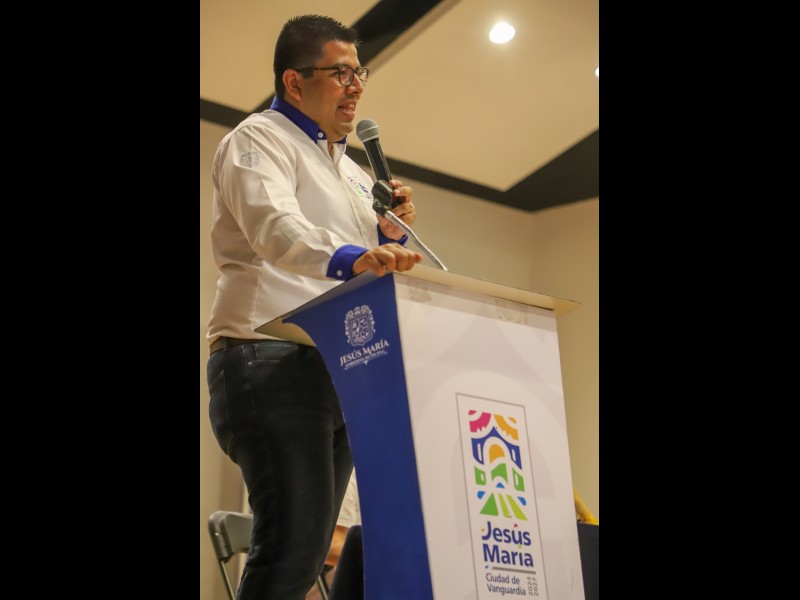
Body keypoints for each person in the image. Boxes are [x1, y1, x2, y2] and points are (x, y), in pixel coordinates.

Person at [205, 14, 422, 600]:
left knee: (310, 555)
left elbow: (364, 262)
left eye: (360, 73)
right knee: (291, 551)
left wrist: (388, 234)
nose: (356, 86)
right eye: (341, 73)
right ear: (294, 81)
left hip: (338, 365)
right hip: (267, 355)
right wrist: (356, 254)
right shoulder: (258, 138)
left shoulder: (352, 172)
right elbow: (276, 229)